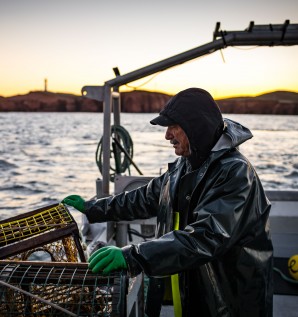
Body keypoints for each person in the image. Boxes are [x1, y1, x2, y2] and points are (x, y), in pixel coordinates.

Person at [62, 88, 273, 317]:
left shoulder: (236, 173)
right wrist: (93, 208)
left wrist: (132, 256)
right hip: (191, 290)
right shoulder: (187, 164)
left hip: (228, 301)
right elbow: (144, 198)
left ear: (196, 127)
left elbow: (207, 236)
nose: (167, 135)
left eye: (174, 127)